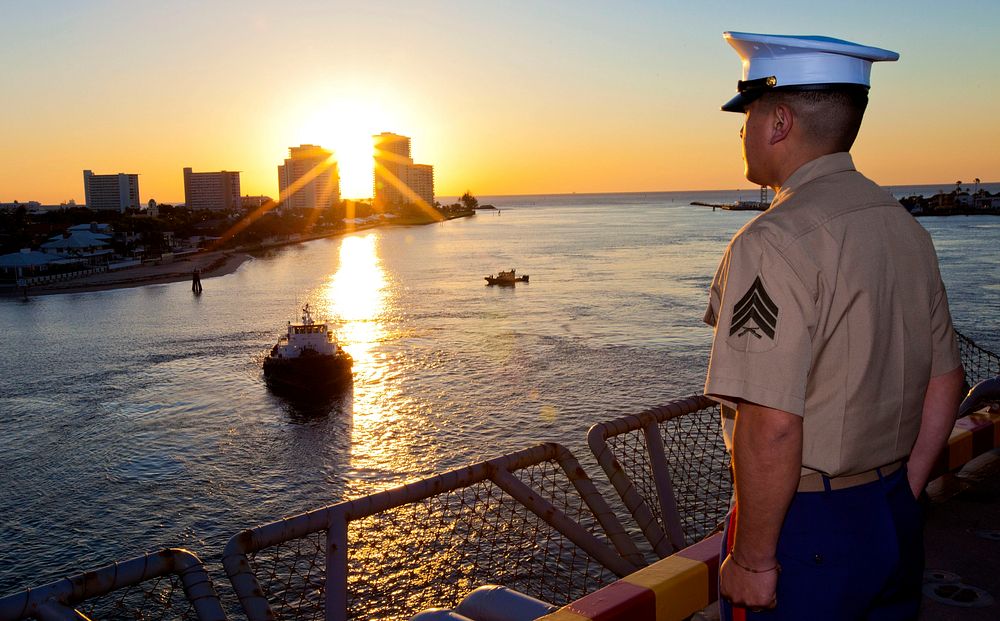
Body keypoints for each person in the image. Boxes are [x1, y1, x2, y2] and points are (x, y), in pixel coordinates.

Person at [703, 32, 965, 620]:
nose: (740, 134)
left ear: (778, 121)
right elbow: (946, 381)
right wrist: (901, 492)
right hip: (890, 508)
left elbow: (769, 422)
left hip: (804, 529)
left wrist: (753, 561)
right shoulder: (903, 227)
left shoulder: (771, 242)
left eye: (745, 117)